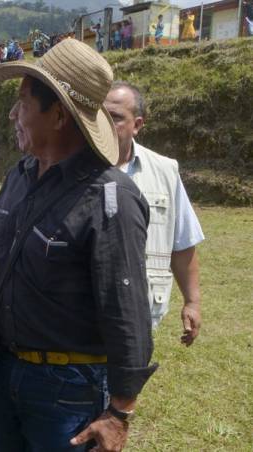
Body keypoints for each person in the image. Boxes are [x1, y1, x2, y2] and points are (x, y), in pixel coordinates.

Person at [0, 38, 157, 451]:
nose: (12, 114)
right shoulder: (23, 174)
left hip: (69, 391)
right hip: (5, 371)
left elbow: (127, 311)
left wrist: (119, 413)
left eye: (22, 103)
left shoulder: (109, 197)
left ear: (58, 114)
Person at [104, 81, 203, 343]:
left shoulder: (165, 171)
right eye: (99, 115)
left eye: (115, 117)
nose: (105, 124)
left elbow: (182, 243)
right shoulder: (75, 167)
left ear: (137, 125)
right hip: (84, 315)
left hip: (139, 314)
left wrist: (192, 301)